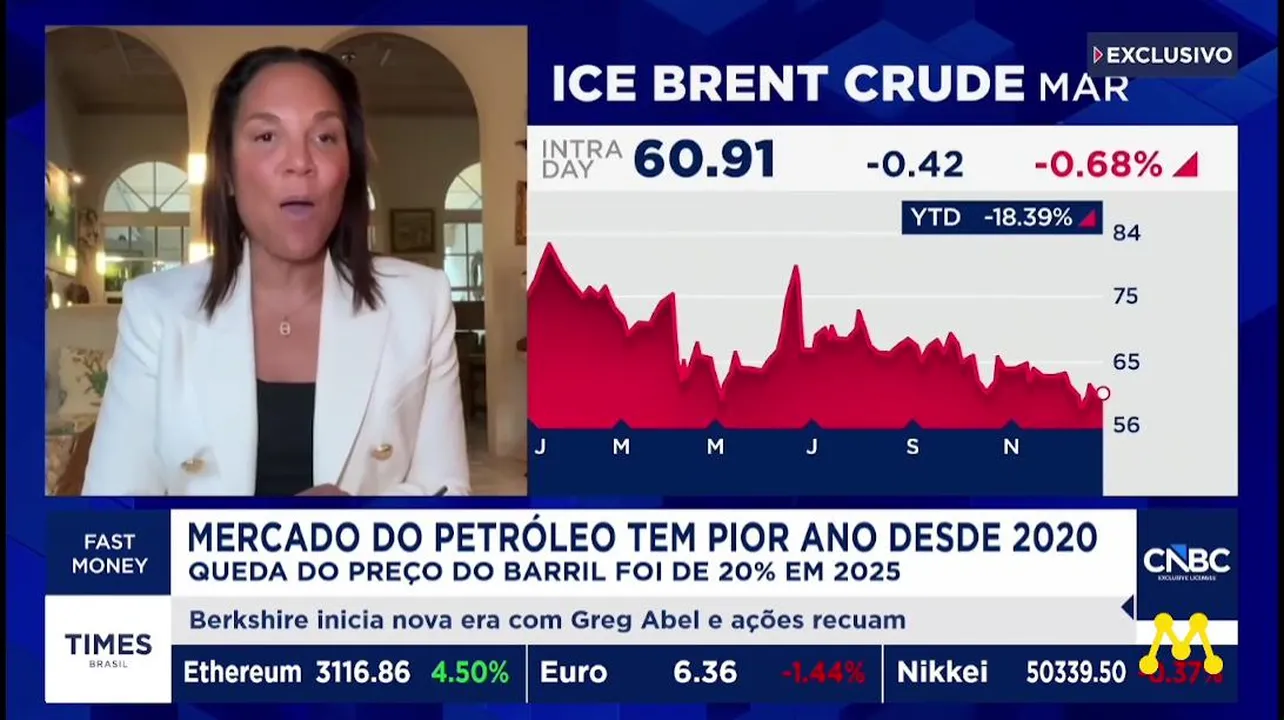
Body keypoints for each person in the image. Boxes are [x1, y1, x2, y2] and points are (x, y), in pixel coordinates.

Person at [83, 47, 470, 497]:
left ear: (349, 170)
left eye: (325, 137)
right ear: (228, 171)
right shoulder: (155, 311)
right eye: (267, 136)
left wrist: (359, 525)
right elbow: (111, 522)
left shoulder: (421, 301)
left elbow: (448, 494)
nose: (300, 162)